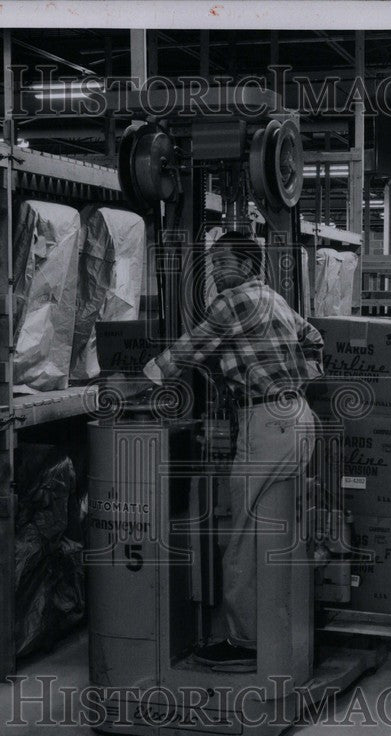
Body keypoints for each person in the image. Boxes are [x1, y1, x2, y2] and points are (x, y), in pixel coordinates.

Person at [134, 231, 324, 671]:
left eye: (223, 262)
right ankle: (279, 640)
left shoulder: (233, 301)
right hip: (297, 416)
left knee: (241, 540)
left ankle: (246, 643)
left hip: (266, 423)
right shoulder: (274, 299)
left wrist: (145, 380)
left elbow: (191, 347)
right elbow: (313, 338)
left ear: (249, 265)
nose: (215, 271)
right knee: (277, 537)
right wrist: (298, 377)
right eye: (213, 263)